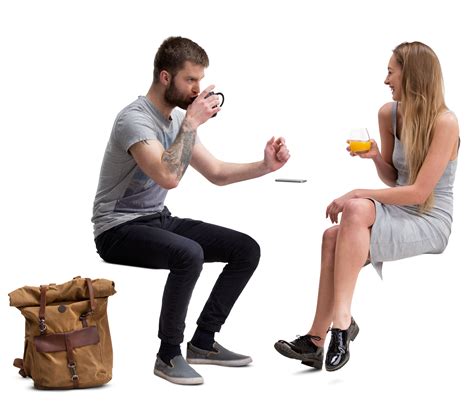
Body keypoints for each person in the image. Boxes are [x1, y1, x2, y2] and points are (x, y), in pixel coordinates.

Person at [91, 36, 290, 385]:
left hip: (156, 220)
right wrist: (191, 124)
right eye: (190, 80)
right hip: (116, 229)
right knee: (189, 254)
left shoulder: (178, 120)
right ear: (165, 77)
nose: (197, 89)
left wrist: (265, 166)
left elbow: (217, 173)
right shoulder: (134, 121)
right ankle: (168, 355)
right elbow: (168, 176)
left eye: (200, 80)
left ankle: (203, 342)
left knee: (245, 249)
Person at [274, 41, 459, 372]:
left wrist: (356, 192)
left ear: (413, 76)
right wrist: (375, 156)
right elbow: (394, 180)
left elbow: (418, 193)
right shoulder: (388, 114)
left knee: (356, 208)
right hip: (400, 208)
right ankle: (318, 340)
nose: (386, 80)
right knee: (333, 236)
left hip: (429, 217)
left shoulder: (445, 123)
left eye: (391, 71)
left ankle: (339, 326)